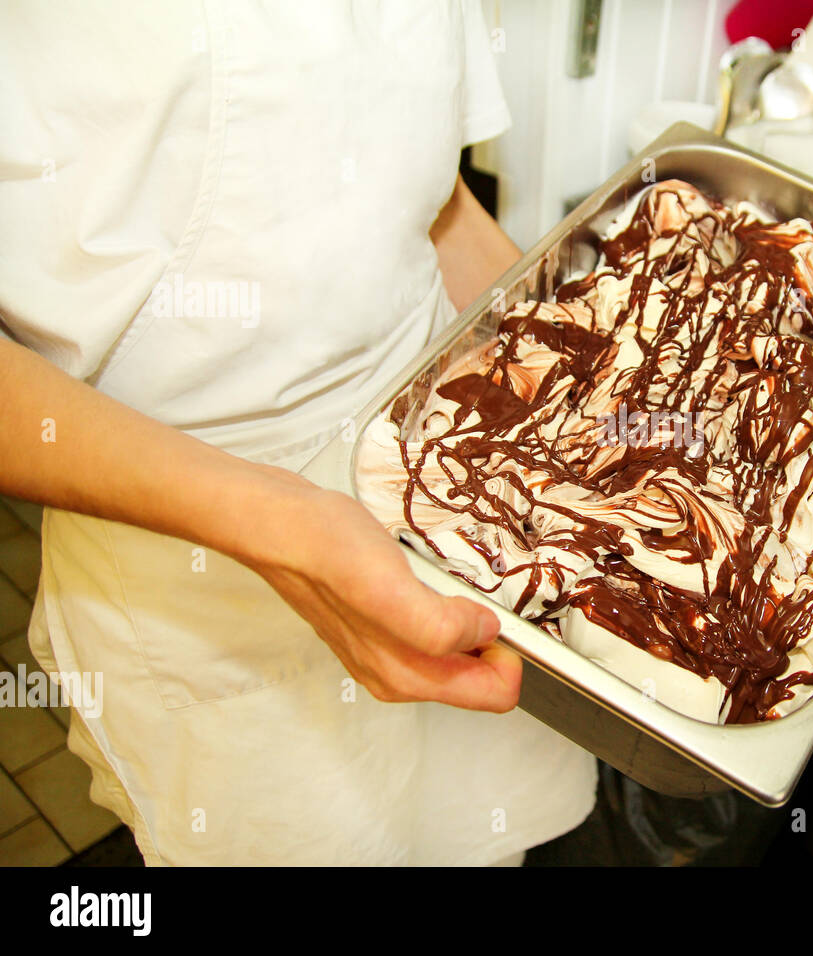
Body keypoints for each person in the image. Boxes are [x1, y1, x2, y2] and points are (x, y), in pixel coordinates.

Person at [0, 0, 597, 865]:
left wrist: (586, 378)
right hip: (196, 567)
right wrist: (283, 526)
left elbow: (431, 205)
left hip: (461, 513)